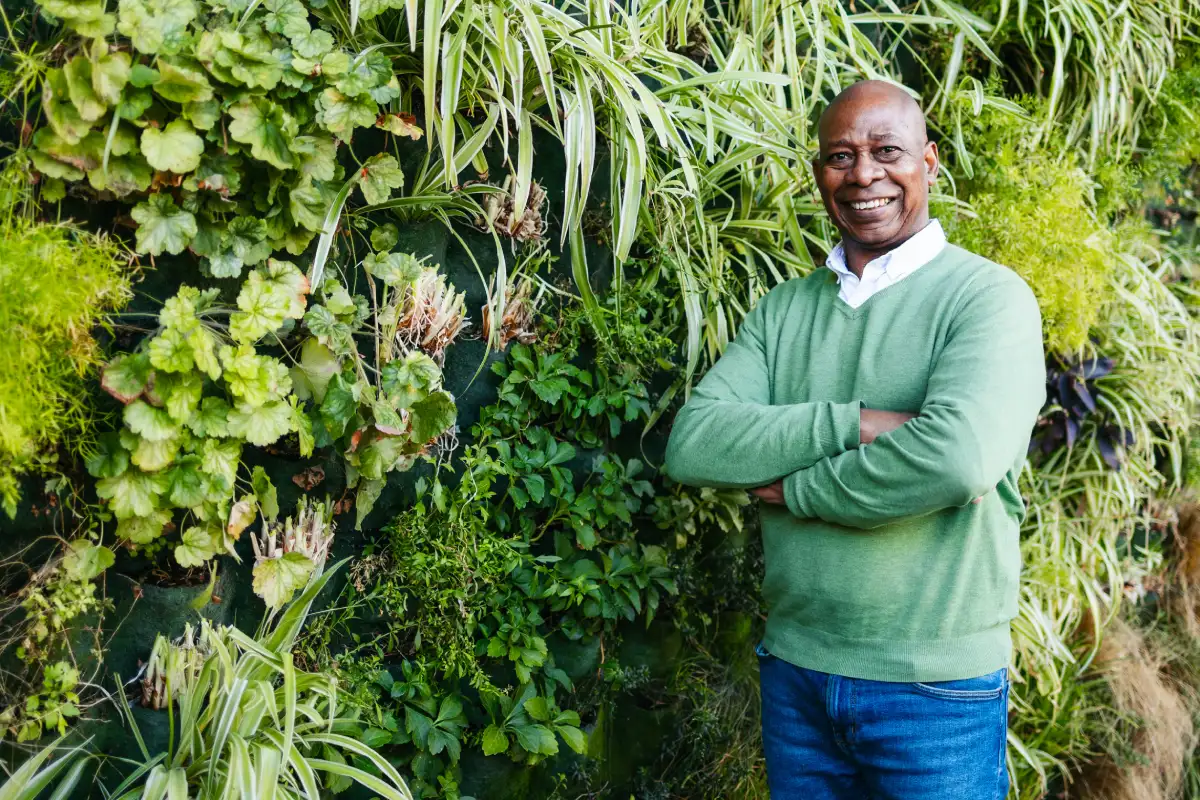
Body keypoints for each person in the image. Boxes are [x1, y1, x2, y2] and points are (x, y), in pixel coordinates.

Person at [663, 80, 1047, 799]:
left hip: (934, 688)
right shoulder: (783, 311)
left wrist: (799, 489)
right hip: (798, 673)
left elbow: (956, 458)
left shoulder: (988, 299)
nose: (863, 173)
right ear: (819, 175)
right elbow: (697, 442)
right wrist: (859, 423)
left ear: (928, 164)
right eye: (840, 156)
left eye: (886, 151)